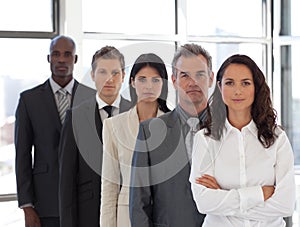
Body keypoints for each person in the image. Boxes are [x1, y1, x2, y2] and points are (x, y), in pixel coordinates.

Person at [190, 54, 296, 226]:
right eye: (230, 83)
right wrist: (259, 194)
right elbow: (204, 202)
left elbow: (285, 205)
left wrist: (223, 197)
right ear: (219, 86)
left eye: (245, 83)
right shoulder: (205, 139)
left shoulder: (277, 138)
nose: (237, 91)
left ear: (256, 87)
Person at [14, 35, 96, 227]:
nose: (61, 59)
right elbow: (22, 156)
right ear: (49, 58)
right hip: (45, 203)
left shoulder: (92, 98)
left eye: (67, 54)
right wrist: (27, 206)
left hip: (85, 201)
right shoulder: (29, 100)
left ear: (75, 59)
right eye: (56, 54)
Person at [129, 43, 214, 227]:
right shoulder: (149, 131)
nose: (192, 82)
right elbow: (139, 203)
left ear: (211, 79)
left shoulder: (228, 130)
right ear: (174, 81)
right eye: (184, 75)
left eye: (200, 74)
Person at [58, 46, 131, 227]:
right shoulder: (75, 117)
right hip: (88, 214)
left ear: (123, 75)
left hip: (131, 212)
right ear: (92, 75)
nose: (109, 79)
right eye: (102, 72)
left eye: (115, 72)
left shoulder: (136, 113)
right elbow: (66, 180)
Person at [100, 53, 171, 227]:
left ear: (164, 84)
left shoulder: (175, 124)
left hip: (167, 216)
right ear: (132, 82)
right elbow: (109, 186)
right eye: (142, 79)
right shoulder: (113, 126)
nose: (149, 86)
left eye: (156, 80)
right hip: (127, 216)